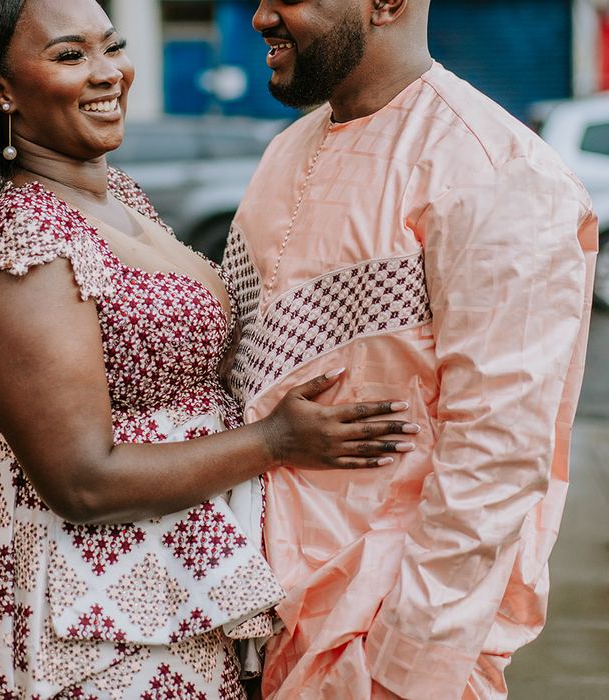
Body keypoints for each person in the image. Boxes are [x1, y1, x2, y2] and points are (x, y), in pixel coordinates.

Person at [0, 1, 419, 698]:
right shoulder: (25, 244)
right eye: (70, 56)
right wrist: (275, 441)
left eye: (113, 46)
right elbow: (82, 482)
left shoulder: (115, 196)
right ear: (0, 90)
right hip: (80, 609)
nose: (109, 73)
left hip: (163, 583)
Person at [223, 1, 597, 698]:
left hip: (375, 646)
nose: (260, 16)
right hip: (245, 620)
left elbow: (495, 460)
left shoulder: (495, 174)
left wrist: (402, 669)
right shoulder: (287, 148)